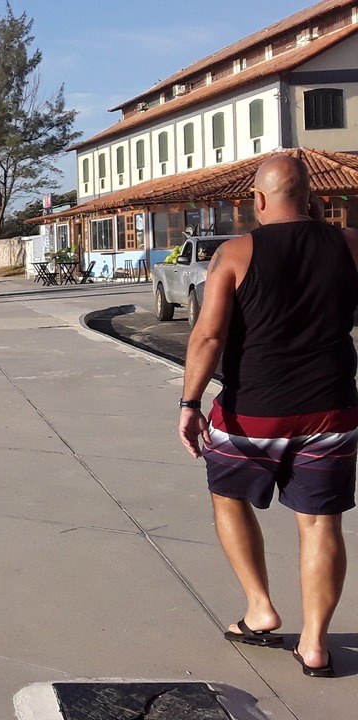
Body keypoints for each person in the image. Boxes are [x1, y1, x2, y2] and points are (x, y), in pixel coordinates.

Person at [179, 154, 358, 678]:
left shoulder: (236, 252)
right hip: (332, 408)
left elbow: (209, 336)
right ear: (312, 198)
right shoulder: (350, 247)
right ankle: (316, 644)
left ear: (257, 200)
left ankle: (259, 608)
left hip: (253, 411)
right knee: (322, 522)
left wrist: (189, 404)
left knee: (229, 498)